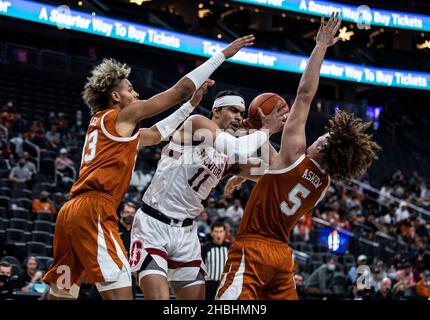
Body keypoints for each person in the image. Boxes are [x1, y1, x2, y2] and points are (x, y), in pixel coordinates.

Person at [43, 34, 253, 300]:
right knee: (122, 295)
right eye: (131, 89)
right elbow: (179, 90)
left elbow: (156, 133)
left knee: (61, 294)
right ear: (116, 95)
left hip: (70, 212)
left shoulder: (108, 126)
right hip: (94, 210)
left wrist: (189, 106)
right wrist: (221, 55)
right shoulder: (121, 115)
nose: (137, 93)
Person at [216, 13, 380, 300]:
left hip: (252, 248)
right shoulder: (322, 184)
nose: (318, 136)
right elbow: (279, 174)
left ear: (324, 146)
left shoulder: (293, 153)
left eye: (323, 137)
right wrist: (248, 171)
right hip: (281, 258)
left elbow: (304, 95)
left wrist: (320, 46)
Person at [130, 86, 286, 300]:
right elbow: (237, 149)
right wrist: (265, 129)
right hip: (153, 225)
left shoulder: (228, 160)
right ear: (216, 110)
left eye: (242, 114)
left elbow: (278, 170)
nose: (238, 117)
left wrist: (259, 132)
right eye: (233, 110)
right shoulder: (197, 124)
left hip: (186, 233)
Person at [201, 221, 231, 300]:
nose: (218, 234)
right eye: (216, 231)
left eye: (221, 232)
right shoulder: (205, 248)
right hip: (210, 285)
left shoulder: (230, 247)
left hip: (225, 284)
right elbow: (200, 267)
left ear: (224, 233)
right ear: (212, 233)